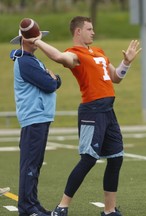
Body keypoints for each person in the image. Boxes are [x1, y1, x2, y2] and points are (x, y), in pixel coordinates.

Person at [27, 16, 141, 216]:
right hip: (92, 111)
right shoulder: (74, 53)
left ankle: (109, 210)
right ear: (78, 32)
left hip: (108, 111)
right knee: (88, 159)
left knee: (116, 159)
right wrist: (37, 40)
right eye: (89, 29)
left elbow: (116, 78)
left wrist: (126, 63)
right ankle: (62, 207)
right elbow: (59, 57)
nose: (93, 32)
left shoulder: (99, 52)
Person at [10, 22, 62, 216]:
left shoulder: (30, 60)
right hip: (34, 117)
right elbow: (49, 83)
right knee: (30, 164)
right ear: (26, 40)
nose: (38, 42)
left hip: (38, 117)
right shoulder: (26, 61)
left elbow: (51, 79)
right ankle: (27, 207)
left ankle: (32, 203)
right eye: (35, 39)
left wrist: (53, 79)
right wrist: (55, 79)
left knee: (34, 164)